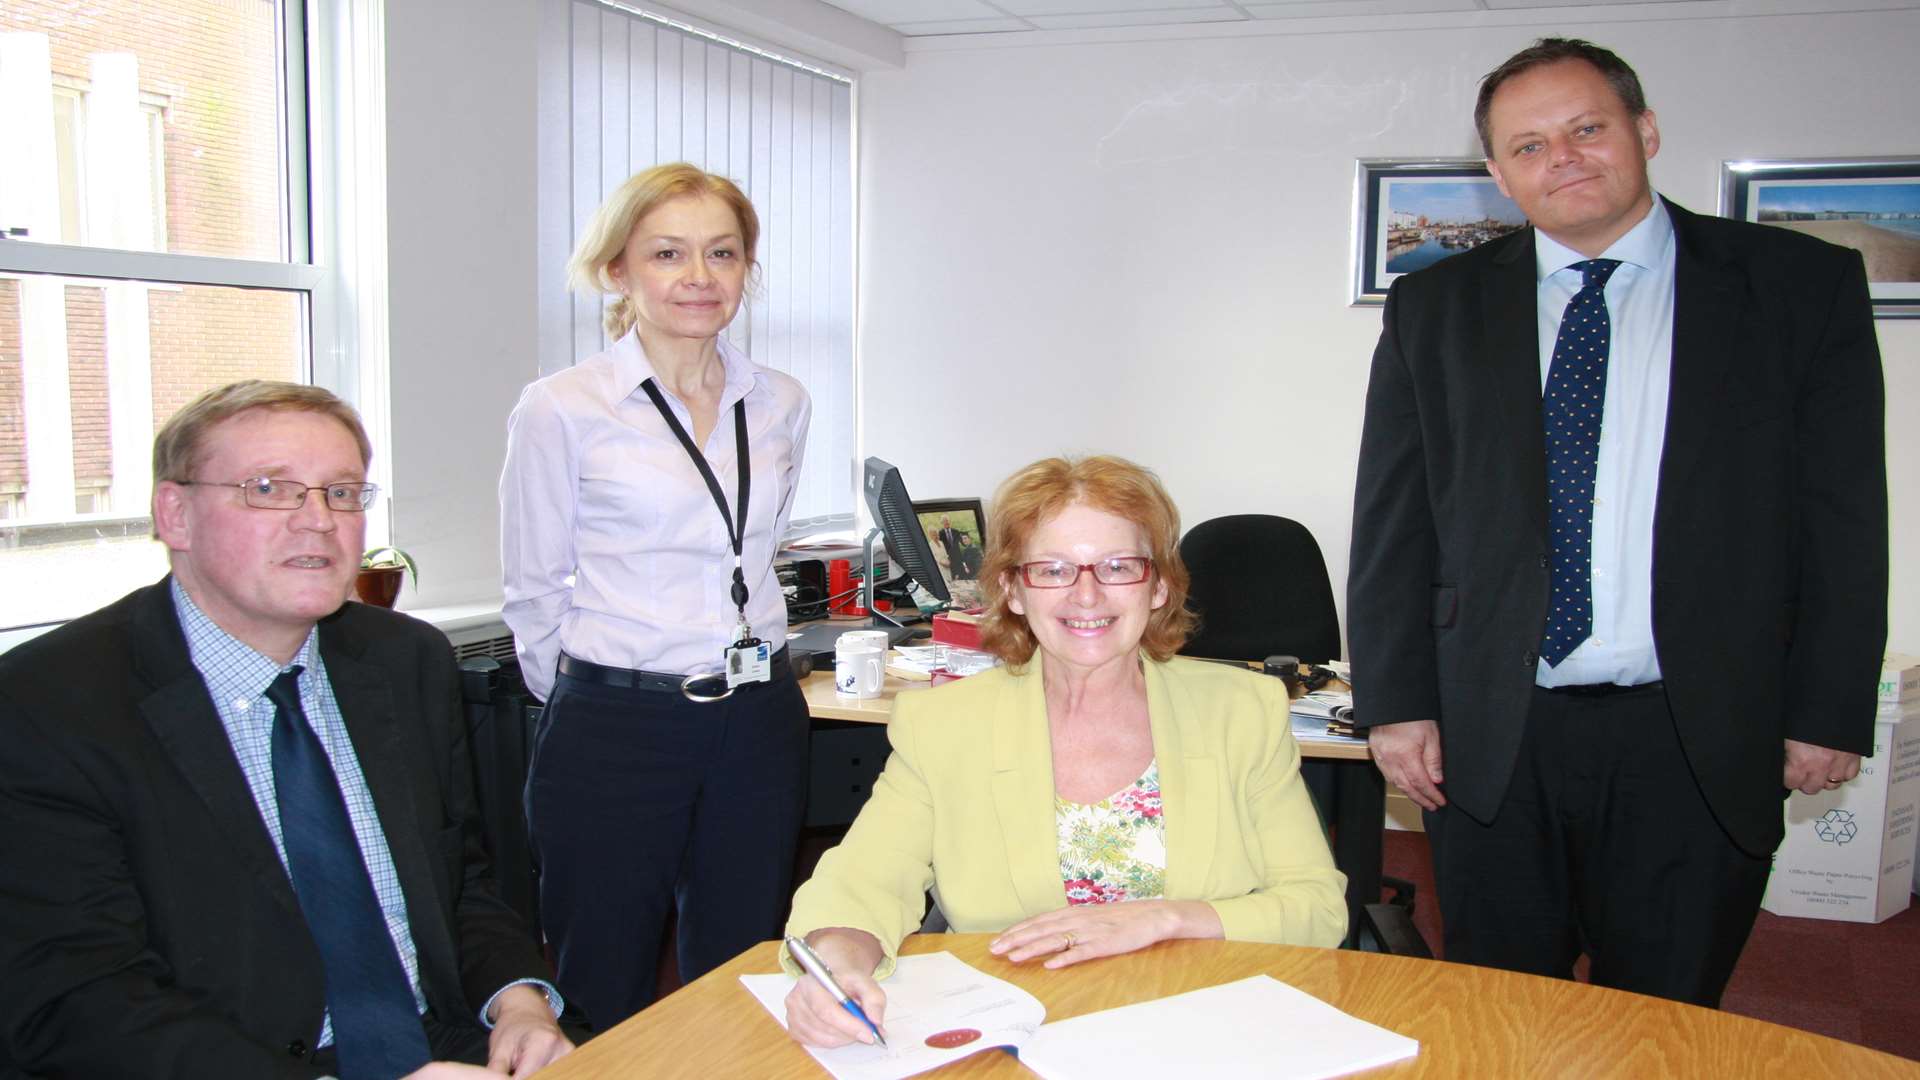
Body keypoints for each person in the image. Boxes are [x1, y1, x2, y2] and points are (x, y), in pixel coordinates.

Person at [1348, 38, 1887, 1007]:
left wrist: (1827, 705)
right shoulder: (1434, 306)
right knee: (1502, 1014)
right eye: (1529, 145)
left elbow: (1845, 520)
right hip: (1492, 737)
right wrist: (1395, 701)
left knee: (1668, 1014)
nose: (1563, 157)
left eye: (1587, 127)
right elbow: (1393, 522)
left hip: (1697, 731)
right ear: (1501, 177)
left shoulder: (1798, 287)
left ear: (1644, 131)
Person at [0, 381, 572, 1078]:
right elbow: (76, 998)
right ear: (174, 515)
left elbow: (460, 883)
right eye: (271, 488)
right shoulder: (49, 703)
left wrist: (517, 1000)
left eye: (341, 492)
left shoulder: (404, 660)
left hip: (442, 1046)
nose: (318, 520)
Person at [783, 455, 1346, 1048]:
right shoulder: (943, 724)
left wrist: (1164, 918)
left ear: (1158, 587)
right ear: (1012, 589)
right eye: (1052, 570)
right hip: (1022, 1033)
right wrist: (838, 966)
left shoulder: (1242, 710)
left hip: (1207, 1024)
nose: (1087, 595)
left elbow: (1316, 907)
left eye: (1117, 567)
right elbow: (861, 883)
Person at [500, 162, 813, 1029]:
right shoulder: (561, 408)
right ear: (618, 271)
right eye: (668, 253)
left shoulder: (781, 401)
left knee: (745, 964)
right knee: (604, 970)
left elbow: (758, 547)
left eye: (722, 254)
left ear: (747, 269)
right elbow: (532, 588)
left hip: (758, 715)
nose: (699, 277)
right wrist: (591, 698)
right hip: (617, 722)